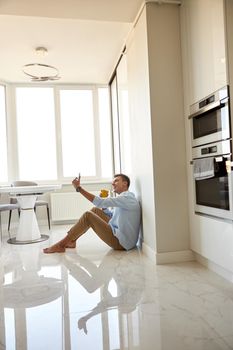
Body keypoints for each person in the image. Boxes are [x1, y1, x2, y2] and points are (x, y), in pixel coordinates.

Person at [43, 173, 141, 253]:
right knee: (95, 210)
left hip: (122, 243)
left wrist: (79, 188)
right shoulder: (125, 198)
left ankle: (61, 245)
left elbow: (99, 202)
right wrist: (104, 207)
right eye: (113, 182)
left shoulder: (127, 198)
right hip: (120, 235)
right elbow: (111, 215)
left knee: (88, 215)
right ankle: (72, 240)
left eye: (116, 181)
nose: (113, 183)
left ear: (125, 183)